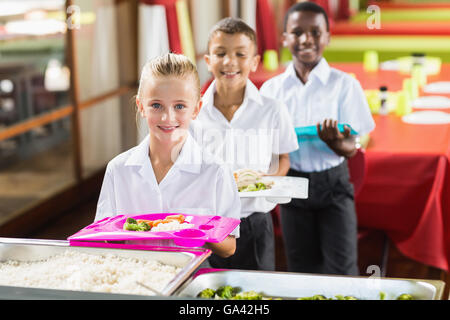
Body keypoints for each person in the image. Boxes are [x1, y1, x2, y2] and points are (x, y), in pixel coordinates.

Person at [260, 1, 375, 276]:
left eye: (315, 32)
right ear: (284, 37)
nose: (306, 39)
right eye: (297, 32)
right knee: (301, 270)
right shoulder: (271, 90)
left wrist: (336, 143)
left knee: (343, 270)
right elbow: (264, 146)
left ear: (328, 37)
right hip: (292, 185)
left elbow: (354, 147)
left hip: (334, 185)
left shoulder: (345, 84)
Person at [95, 53, 240, 258]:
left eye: (179, 106)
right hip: (131, 273)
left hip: (190, 274)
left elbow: (229, 247)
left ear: (196, 109)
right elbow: (102, 238)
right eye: (156, 105)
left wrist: (194, 229)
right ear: (141, 106)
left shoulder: (215, 171)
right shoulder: (118, 170)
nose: (167, 117)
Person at [191, 17, 299, 271]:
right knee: (207, 289)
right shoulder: (193, 114)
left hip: (255, 221)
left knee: (258, 294)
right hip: (208, 221)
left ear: (254, 62)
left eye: (240, 54)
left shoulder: (272, 110)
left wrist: (270, 181)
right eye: (221, 53)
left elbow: (283, 158)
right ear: (208, 61)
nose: (230, 62)